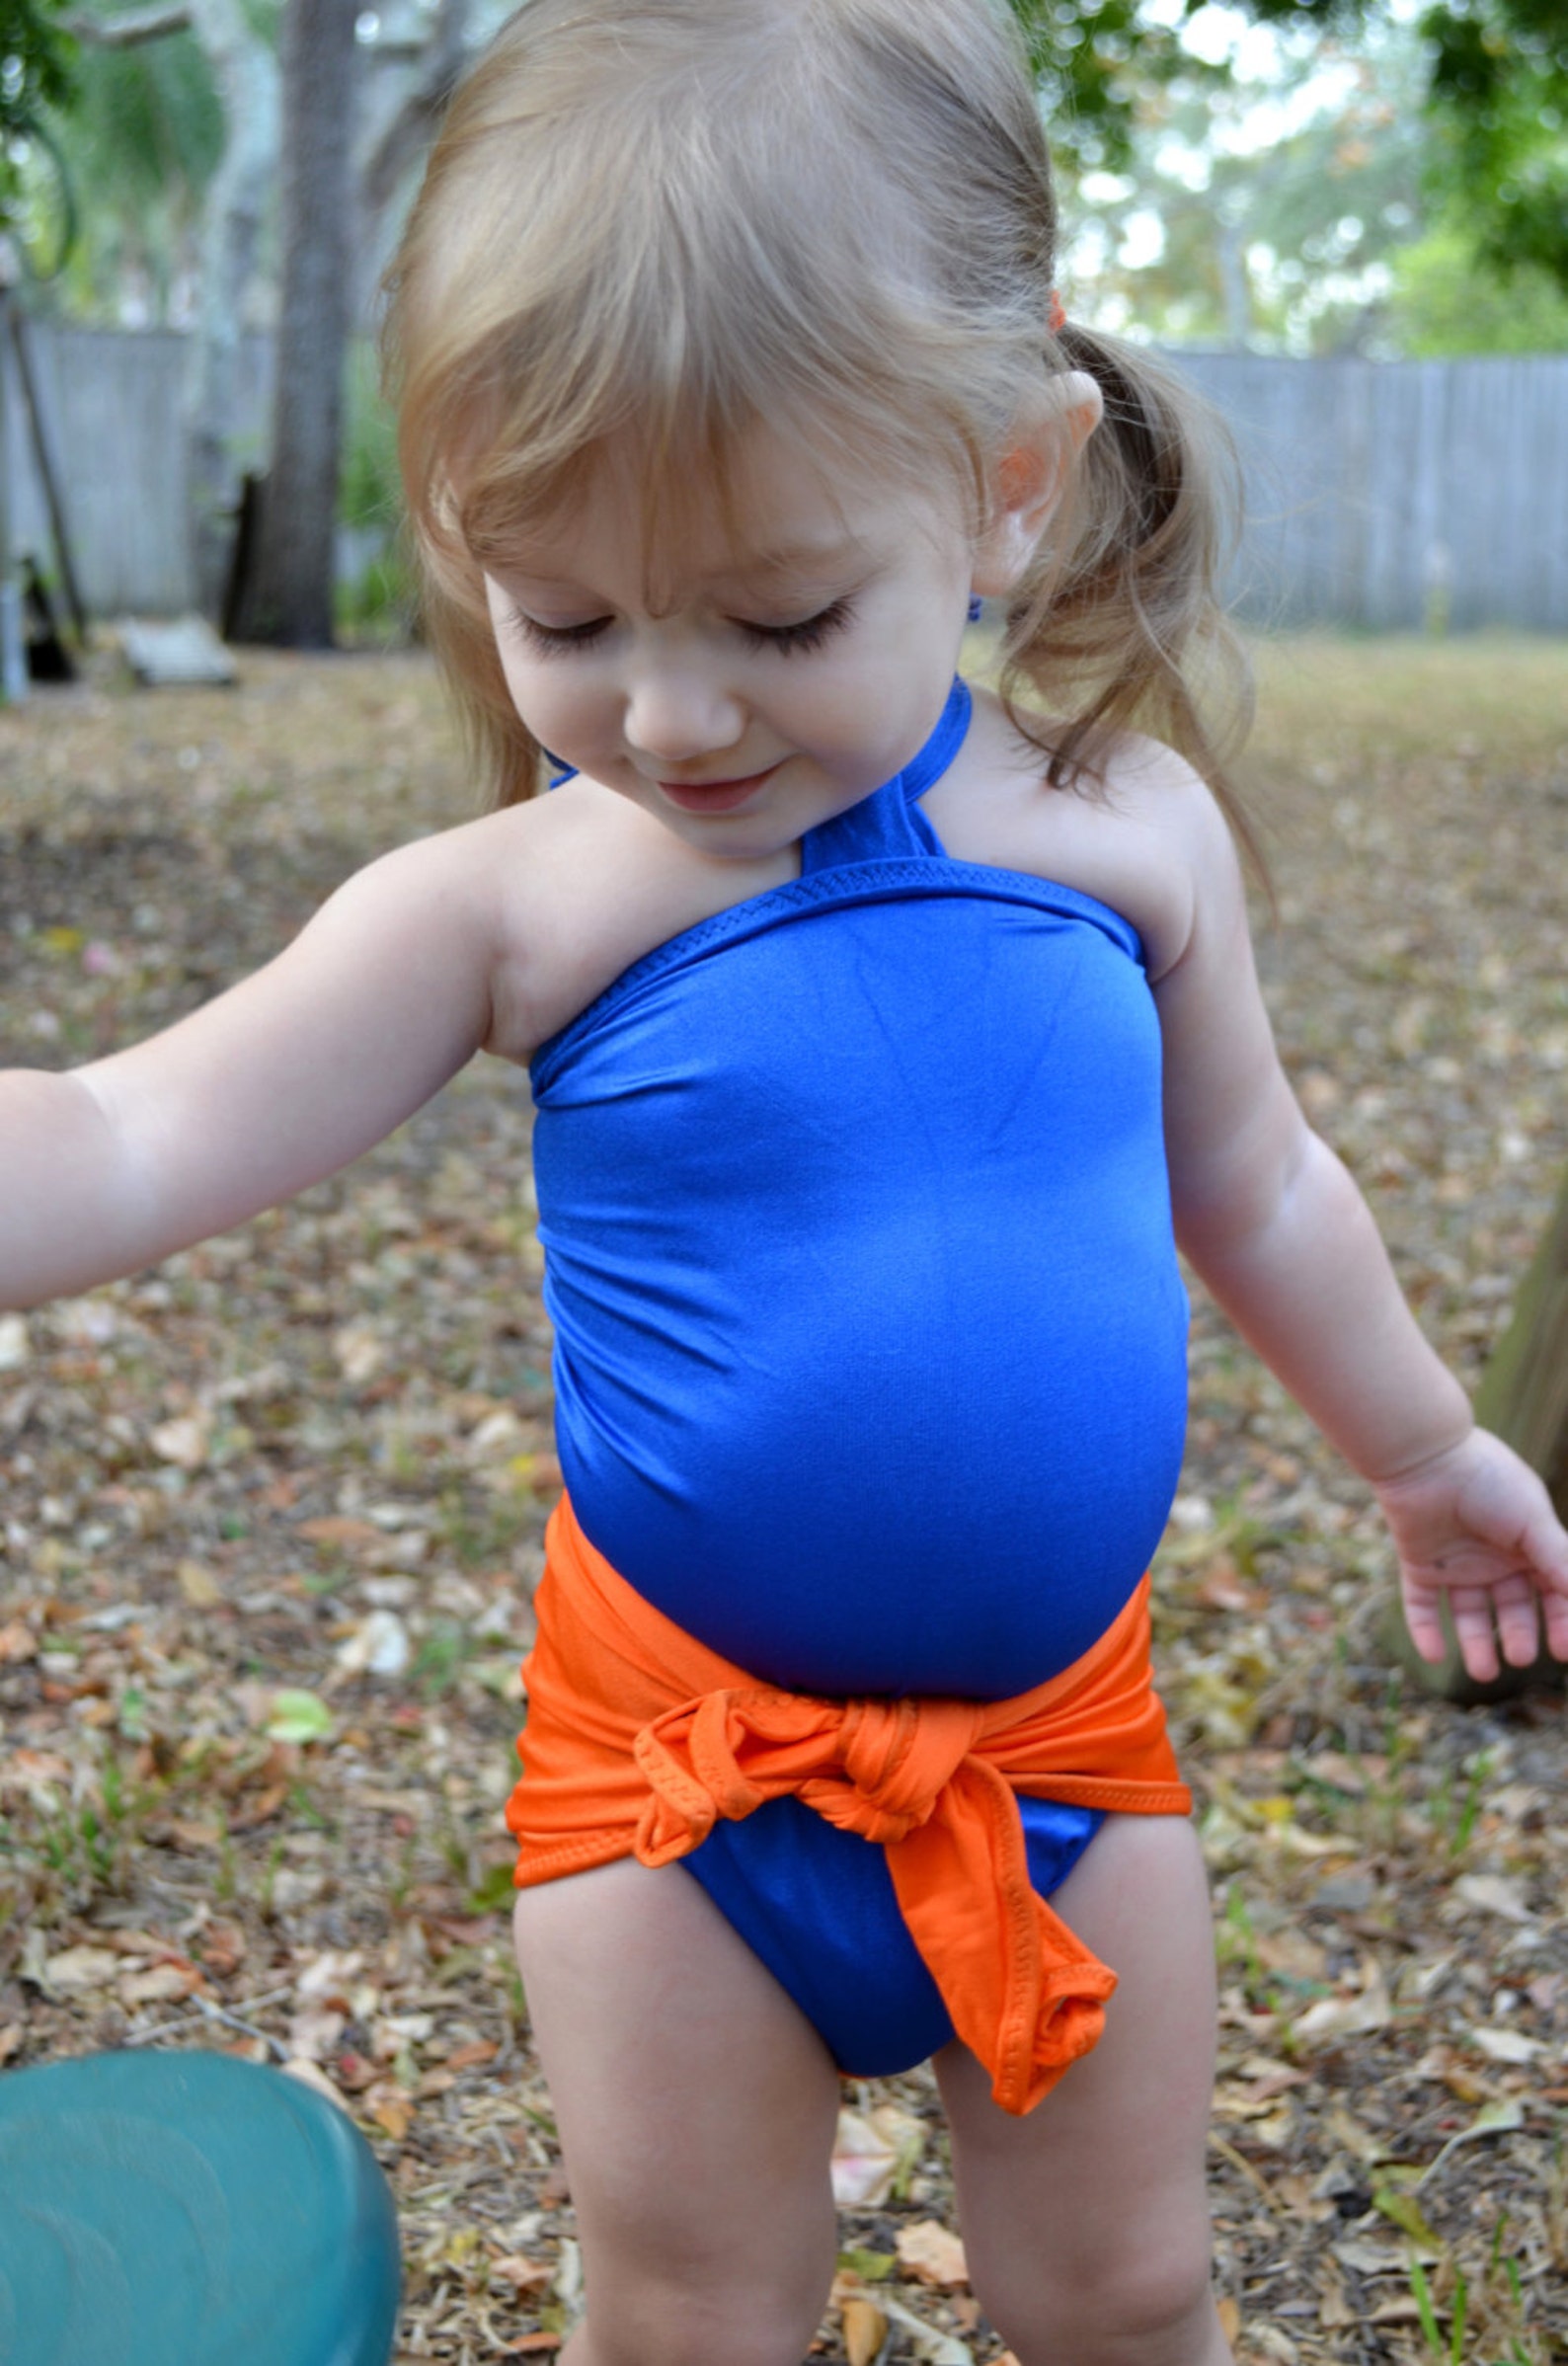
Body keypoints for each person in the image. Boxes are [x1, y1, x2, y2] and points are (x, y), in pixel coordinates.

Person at [5, 2, 1567, 2360]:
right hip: (671, 1781)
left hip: (1060, 1749)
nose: (670, 714)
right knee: (698, 2304)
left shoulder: (1112, 831)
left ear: (1003, 480)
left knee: (1129, 2292)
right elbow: (132, 1127)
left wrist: (1427, 1448)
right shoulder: (519, 905)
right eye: (566, 619)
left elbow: (1251, 1178)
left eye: (775, 616)